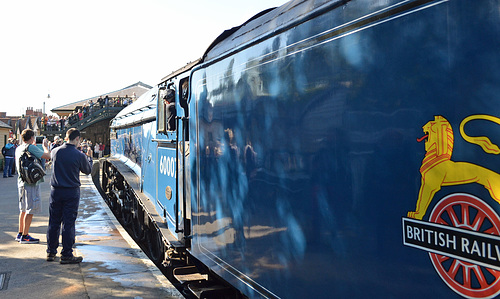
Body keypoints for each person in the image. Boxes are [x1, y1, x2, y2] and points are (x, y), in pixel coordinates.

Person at [46, 128, 92, 263]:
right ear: (77, 139)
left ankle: (51, 252)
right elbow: (87, 171)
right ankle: (66, 254)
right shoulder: (79, 155)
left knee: (54, 222)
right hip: (71, 191)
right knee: (68, 223)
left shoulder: (55, 151)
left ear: (66, 137)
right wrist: (89, 157)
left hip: (56, 190)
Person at [15, 129, 51, 244]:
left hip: (21, 182)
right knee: (31, 209)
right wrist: (45, 146)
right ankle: (25, 236)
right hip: (31, 183)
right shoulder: (30, 147)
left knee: (23, 209)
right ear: (32, 138)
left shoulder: (19, 148)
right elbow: (48, 156)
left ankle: (20, 233)